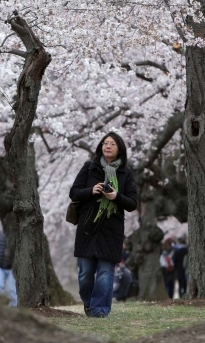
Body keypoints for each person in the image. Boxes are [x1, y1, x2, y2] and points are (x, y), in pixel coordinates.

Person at [70, 132, 138, 318]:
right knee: (85, 274)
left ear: (119, 150)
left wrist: (116, 197)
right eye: (105, 143)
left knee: (105, 273)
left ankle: (99, 310)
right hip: (87, 227)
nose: (107, 146)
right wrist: (91, 191)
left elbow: (132, 203)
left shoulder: (125, 173)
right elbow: (74, 192)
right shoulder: (89, 167)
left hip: (111, 229)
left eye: (112, 144)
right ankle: (89, 304)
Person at [0, 229, 17, 307]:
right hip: (0, 266)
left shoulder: (17, 234)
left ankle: (13, 309)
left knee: (12, 289)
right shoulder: (1, 233)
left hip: (12, 268)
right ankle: (0, 306)